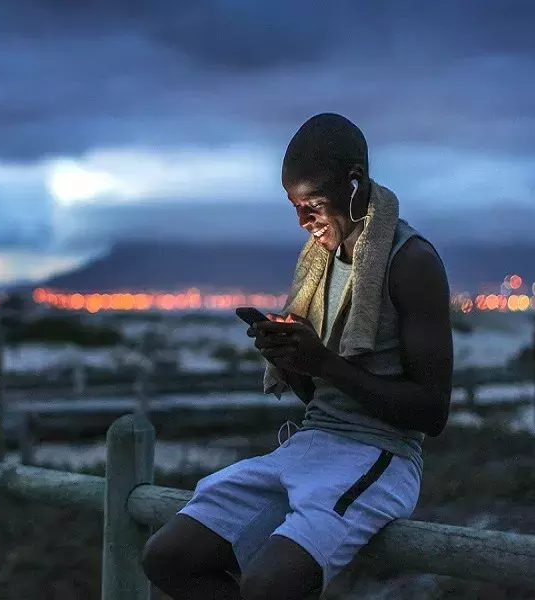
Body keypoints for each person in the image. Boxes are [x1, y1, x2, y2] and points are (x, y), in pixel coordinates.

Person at [140, 113, 454, 599]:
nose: (303, 221)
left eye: (313, 204)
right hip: (312, 443)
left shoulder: (411, 262)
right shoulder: (322, 265)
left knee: (267, 587)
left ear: (354, 182)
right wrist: (296, 362)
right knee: (166, 557)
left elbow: (431, 412)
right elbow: (320, 397)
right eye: (294, 206)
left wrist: (325, 363)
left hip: (380, 455)